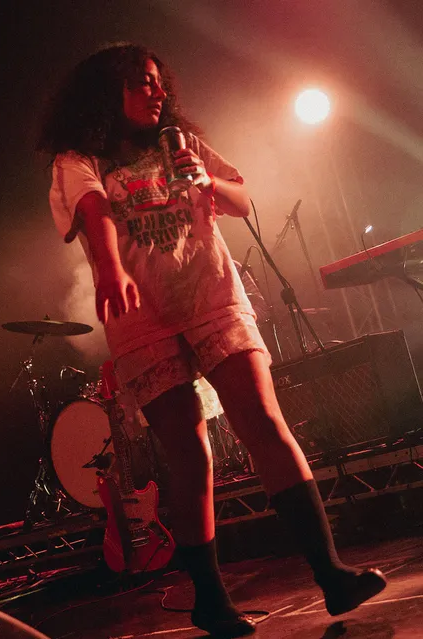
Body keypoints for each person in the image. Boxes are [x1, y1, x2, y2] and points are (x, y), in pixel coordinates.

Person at [38, 43, 385, 637]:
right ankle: (210, 600)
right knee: (190, 452)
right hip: (143, 315)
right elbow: (94, 209)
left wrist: (207, 182)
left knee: (264, 422)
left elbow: (242, 200)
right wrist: (111, 268)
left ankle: (331, 575)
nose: (155, 91)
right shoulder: (79, 158)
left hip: (212, 295)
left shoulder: (183, 144)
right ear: (107, 94)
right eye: (139, 83)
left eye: (157, 81)